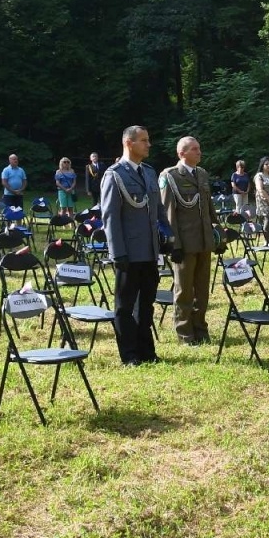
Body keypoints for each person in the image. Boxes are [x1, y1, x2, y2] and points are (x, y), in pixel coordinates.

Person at [104, 125, 171, 365]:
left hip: (150, 250)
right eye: (144, 140)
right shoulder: (115, 175)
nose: (149, 144)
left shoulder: (150, 173)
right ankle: (129, 355)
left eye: (148, 140)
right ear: (129, 143)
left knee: (146, 305)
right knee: (125, 306)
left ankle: (147, 351)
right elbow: (110, 216)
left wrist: (168, 237)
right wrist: (117, 253)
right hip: (128, 252)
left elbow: (159, 209)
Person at [158, 137, 220, 346]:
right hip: (184, 243)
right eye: (195, 149)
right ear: (182, 153)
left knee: (202, 289)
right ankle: (185, 332)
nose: (199, 152)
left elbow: (209, 208)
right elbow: (168, 214)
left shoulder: (201, 174)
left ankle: (200, 329)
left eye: (199, 149)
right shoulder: (170, 176)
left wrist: (218, 236)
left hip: (203, 241)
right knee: (184, 289)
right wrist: (173, 244)